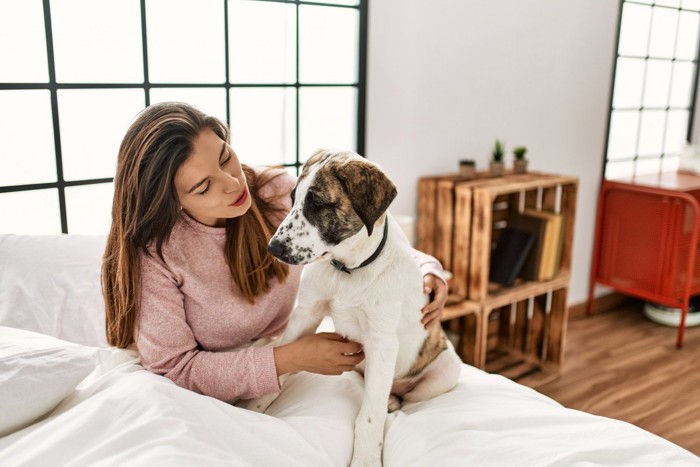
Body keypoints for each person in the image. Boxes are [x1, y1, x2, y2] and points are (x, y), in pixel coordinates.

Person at [102, 101, 448, 403]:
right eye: (204, 186)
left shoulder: (275, 192)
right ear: (170, 202)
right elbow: (174, 368)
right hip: (221, 385)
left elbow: (357, 237)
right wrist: (287, 359)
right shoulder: (155, 256)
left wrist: (425, 269)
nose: (233, 183)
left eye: (226, 157)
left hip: (293, 361)